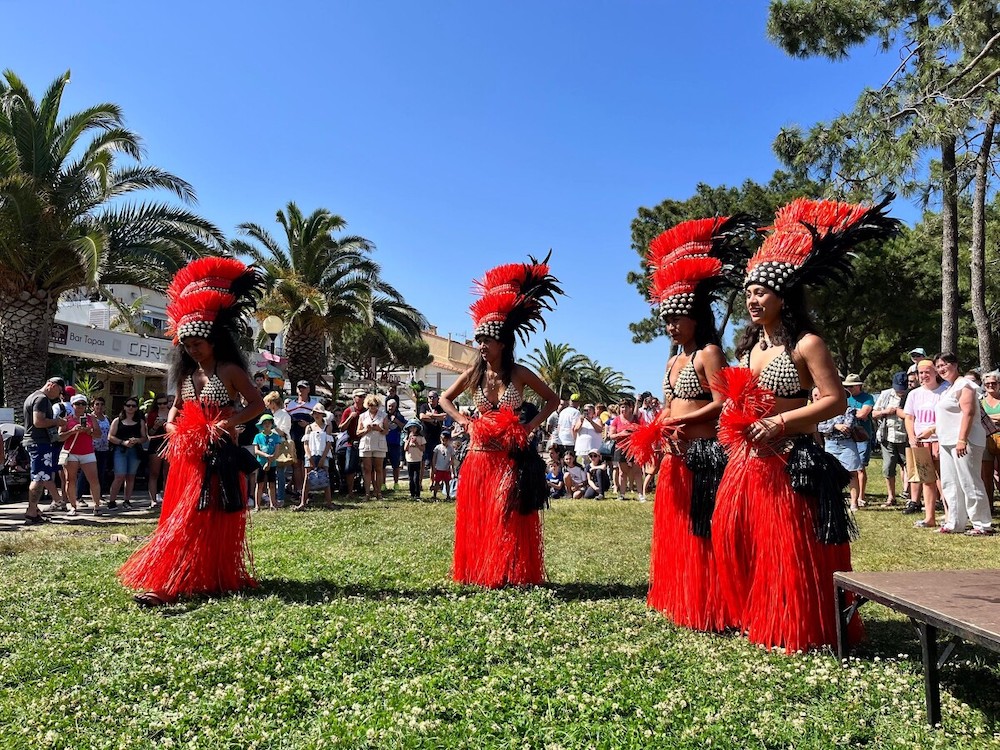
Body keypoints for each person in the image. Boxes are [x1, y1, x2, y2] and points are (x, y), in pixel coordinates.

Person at [713, 195, 899, 652]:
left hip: (789, 459)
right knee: (737, 535)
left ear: (784, 295)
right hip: (747, 460)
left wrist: (781, 423)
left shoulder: (808, 343)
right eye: (749, 293)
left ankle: (797, 622)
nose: (753, 300)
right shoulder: (750, 348)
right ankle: (757, 612)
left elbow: (835, 401)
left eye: (762, 292)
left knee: (789, 546)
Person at [118, 257, 266, 607]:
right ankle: (173, 578)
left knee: (208, 516)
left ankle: (189, 579)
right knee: (183, 514)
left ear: (213, 341)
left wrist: (227, 423)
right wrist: (172, 426)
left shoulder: (229, 371)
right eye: (186, 345)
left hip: (219, 456)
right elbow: (175, 411)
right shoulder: (185, 376)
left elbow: (257, 404)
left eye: (197, 343)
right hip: (187, 457)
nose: (191, 349)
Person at [626, 216, 748, 631]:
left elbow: (722, 403)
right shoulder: (672, 359)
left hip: (704, 455)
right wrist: (659, 426)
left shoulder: (709, 354)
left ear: (696, 318)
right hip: (675, 457)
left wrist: (683, 422)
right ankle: (679, 596)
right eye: (667, 320)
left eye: (678, 318)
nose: (671, 326)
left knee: (703, 529)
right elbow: (669, 403)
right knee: (677, 528)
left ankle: (711, 603)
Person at [439, 255, 562, 587]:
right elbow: (443, 398)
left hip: (508, 458)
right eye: (479, 340)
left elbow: (553, 400)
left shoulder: (519, 373)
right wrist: (464, 420)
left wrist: (529, 426)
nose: (480, 345)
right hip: (479, 457)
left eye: (486, 341)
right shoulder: (474, 373)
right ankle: (483, 571)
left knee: (503, 514)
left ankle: (507, 569)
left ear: (503, 343)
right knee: (480, 515)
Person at [933, 353, 994, 535]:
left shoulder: (965, 385)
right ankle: (955, 522)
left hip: (965, 441)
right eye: (938, 366)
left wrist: (962, 439)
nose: (941, 369)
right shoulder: (947, 389)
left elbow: (968, 413)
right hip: (946, 442)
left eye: (944, 364)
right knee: (950, 483)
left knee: (970, 481)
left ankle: (982, 524)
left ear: (955, 365)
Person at [903, 359, 948, 529]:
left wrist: (933, 430)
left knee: (944, 479)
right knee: (927, 479)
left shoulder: (945, 391)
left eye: (927, 371)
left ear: (936, 372)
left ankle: (950, 514)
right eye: (920, 373)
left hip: (940, 440)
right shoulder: (914, 394)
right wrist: (911, 436)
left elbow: (948, 416)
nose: (923, 375)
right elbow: (909, 417)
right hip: (921, 442)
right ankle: (930, 517)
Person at [21, 377, 67, 523]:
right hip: (38, 442)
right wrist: (57, 422)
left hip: (35, 442)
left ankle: (34, 510)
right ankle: (31, 511)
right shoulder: (41, 399)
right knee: (39, 478)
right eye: (58, 391)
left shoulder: (33, 396)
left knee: (40, 476)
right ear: (51, 385)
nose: (58, 395)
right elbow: (38, 421)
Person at [57, 393, 104, 516]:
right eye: (78, 404)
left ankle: (97, 506)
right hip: (71, 452)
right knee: (70, 480)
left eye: (83, 404)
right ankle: (73, 507)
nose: (80, 406)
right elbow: (59, 437)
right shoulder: (67, 419)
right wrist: (72, 431)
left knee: (93, 479)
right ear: (72, 405)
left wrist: (89, 431)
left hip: (87, 452)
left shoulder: (91, 418)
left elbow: (98, 434)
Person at [817, 399, 862, 509]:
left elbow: (848, 426)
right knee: (831, 473)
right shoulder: (825, 410)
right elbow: (820, 427)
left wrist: (830, 426)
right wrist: (835, 426)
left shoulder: (849, 410)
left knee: (852, 473)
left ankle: (854, 502)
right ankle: (834, 500)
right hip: (830, 443)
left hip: (847, 444)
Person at [872, 372, 909, 506]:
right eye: (898, 388)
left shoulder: (911, 395)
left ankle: (909, 496)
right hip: (887, 436)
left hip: (906, 437)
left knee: (909, 467)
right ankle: (891, 497)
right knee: (888, 467)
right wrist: (885, 412)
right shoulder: (886, 394)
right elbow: (874, 413)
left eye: (902, 389)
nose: (900, 391)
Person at [107, 398, 148, 510]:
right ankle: (112, 501)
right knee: (119, 476)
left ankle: (127, 500)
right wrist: (122, 442)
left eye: (133, 406)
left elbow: (144, 438)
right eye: (128, 405)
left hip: (135, 451)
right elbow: (110, 436)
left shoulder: (140, 421)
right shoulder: (117, 420)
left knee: (131, 476)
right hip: (120, 450)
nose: (131, 408)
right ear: (124, 407)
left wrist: (137, 440)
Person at [843, 373, 875, 505]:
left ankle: (861, 496)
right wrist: (857, 412)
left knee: (860, 467)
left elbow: (863, 413)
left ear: (859, 386)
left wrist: (851, 412)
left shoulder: (868, 398)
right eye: (847, 387)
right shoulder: (845, 398)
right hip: (848, 436)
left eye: (851, 386)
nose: (849, 389)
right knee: (849, 467)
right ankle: (852, 495)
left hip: (862, 436)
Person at [285, 381, 318, 496]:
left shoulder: (314, 404)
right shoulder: (291, 405)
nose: (301, 390)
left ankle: (307, 490)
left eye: (304, 388)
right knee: (296, 463)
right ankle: (299, 490)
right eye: (299, 388)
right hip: (295, 435)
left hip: (309, 435)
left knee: (307, 463)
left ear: (309, 389)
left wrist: (308, 423)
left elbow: (319, 420)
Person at [299, 403, 333, 508]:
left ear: (323, 414)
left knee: (325, 478)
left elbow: (328, 444)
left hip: (323, 454)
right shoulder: (309, 427)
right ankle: (302, 503)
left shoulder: (327, 427)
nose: (316, 415)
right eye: (314, 413)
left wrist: (323, 457)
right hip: (311, 453)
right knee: (307, 478)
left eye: (318, 413)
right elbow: (306, 443)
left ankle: (329, 502)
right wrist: (309, 456)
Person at [263, 391, 292, 505]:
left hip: (280, 446)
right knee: (268, 472)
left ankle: (280, 497)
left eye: (268, 403)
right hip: (268, 446)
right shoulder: (270, 415)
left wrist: (273, 426)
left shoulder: (284, 415)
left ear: (273, 403)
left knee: (280, 472)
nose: (267, 405)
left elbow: (284, 433)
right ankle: (270, 497)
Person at [358, 394, 388, 501]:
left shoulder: (383, 415)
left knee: (378, 469)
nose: (373, 407)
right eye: (370, 405)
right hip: (366, 444)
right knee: (367, 469)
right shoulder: (362, 416)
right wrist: (366, 430)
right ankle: (367, 493)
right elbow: (358, 432)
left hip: (379, 444)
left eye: (375, 405)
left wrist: (379, 429)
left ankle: (378, 493)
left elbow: (386, 431)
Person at [608, 398, 640, 500]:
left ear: (630, 408)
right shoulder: (617, 420)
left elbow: (642, 430)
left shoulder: (635, 418)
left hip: (634, 447)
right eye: (622, 407)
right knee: (622, 472)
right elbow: (611, 435)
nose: (623, 409)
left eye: (625, 407)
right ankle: (622, 494)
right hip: (621, 447)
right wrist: (621, 434)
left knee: (637, 472)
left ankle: (641, 494)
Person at [145, 393, 173, 508]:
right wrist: (156, 426)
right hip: (156, 444)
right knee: (154, 472)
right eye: (159, 403)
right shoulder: (152, 415)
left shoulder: (173, 413)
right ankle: (153, 499)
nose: (162, 405)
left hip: (170, 443)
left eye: (164, 403)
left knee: (167, 473)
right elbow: (149, 434)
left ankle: (167, 498)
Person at [252, 413, 283, 510]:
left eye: (269, 423)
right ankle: (257, 505)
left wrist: (270, 461)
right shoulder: (257, 437)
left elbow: (277, 451)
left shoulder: (276, 437)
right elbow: (256, 451)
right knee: (259, 484)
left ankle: (272, 504)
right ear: (261, 425)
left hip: (272, 464)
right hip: (260, 463)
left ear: (272, 424)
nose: (267, 425)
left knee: (272, 484)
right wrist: (266, 456)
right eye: (264, 423)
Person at [338, 389, 366, 497]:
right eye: (359, 396)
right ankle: (350, 492)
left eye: (363, 396)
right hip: (352, 442)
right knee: (349, 468)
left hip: (364, 441)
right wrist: (350, 417)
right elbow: (341, 428)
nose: (362, 398)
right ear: (354, 398)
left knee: (367, 467)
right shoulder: (348, 410)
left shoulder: (366, 411)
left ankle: (368, 490)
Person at [980, 370, 1000, 512]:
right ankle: (988, 506)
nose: (991, 386)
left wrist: (989, 418)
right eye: (987, 384)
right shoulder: (980, 401)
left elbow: (984, 418)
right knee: (986, 475)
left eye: (994, 383)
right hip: (984, 440)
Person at [418, 391, 447, 469]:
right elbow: (422, 417)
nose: (432, 399)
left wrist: (431, 415)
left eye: (434, 397)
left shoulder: (440, 408)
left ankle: (433, 479)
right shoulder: (424, 406)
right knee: (424, 460)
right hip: (425, 436)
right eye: (430, 397)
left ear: (437, 398)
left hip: (436, 437)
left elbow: (444, 416)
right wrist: (434, 420)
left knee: (434, 460)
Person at [384, 399, 406, 490]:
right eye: (389, 406)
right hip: (384, 443)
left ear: (396, 407)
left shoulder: (399, 416)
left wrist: (396, 421)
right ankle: (383, 484)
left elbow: (405, 427)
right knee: (382, 465)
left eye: (392, 406)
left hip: (395, 443)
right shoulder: (383, 415)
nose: (390, 408)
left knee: (395, 465)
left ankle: (396, 483)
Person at [573, 403, 603, 469]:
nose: (587, 412)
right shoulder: (580, 420)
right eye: (586, 410)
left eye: (589, 410)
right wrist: (581, 421)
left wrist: (591, 421)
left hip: (594, 446)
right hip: (583, 447)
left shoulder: (597, 420)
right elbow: (576, 429)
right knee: (584, 464)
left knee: (595, 464)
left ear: (593, 411)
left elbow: (600, 430)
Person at [403, 420, 426, 499]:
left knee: (417, 478)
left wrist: (416, 443)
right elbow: (405, 448)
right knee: (411, 478)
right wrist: (409, 439)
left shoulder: (420, 438)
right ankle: (412, 493)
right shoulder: (406, 437)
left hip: (418, 459)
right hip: (409, 460)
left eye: (414, 427)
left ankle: (417, 494)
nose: (412, 429)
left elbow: (423, 449)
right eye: (411, 428)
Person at [430, 430, 456, 500]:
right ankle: (434, 495)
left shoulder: (450, 448)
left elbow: (452, 458)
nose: (443, 441)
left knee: (447, 482)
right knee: (437, 482)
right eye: (442, 439)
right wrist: (434, 466)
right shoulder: (437, 447)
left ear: (448, 440)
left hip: (446, 469)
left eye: (445, 440)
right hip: (439, 468)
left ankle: (448, 495)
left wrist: (451, 467)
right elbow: (434, 457)